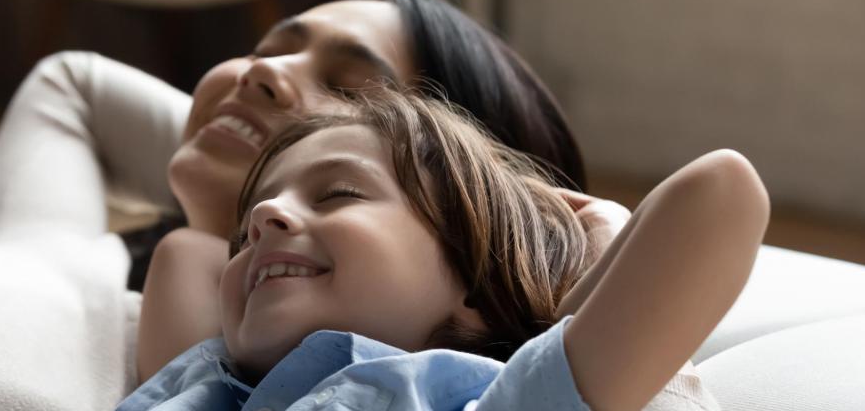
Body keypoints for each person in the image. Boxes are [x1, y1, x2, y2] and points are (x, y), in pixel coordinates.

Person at [0, 0, 702, 410]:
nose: (271, 71)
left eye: (349, 90)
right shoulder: (74, 260)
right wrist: (252, 171)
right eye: (274, 42)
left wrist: (552, 231)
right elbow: (70, 85)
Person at [122, 90, 768, 410]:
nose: (263, 216)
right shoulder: (214, 382)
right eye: (246, 233)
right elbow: (186, 254)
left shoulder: (486, 399)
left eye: (338, 194)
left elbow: (724, 192)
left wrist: (588, 239)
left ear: (475, 287)